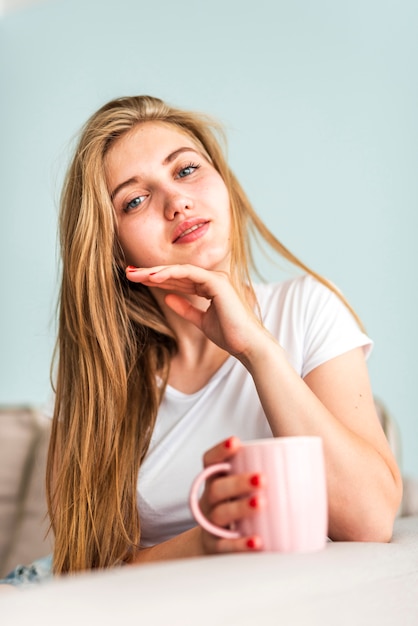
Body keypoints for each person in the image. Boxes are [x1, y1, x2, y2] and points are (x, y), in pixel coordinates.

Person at [1, 95, 403, 584]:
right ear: (112, 248)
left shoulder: (309, 307)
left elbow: (370, 520)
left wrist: (256, 349)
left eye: (186, 170)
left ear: (223, 182)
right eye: (134, 199)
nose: (177, 202)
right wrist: (209, 538)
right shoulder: (97, 374)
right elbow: (82, 574)